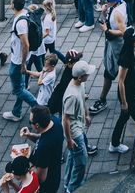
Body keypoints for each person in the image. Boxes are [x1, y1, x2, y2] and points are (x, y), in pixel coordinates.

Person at [61, 61, 95, 193]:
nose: (89, 76)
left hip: (79, 126)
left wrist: (86, 114)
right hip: (75, 132)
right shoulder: (71, 96)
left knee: (73, 156)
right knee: (81, 161)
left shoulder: (79, 84)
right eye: (87, 74)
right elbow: (65, 120)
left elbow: (82, 99)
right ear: (80, 77)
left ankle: (67, 181)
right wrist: (69, 139)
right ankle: (73, 187)